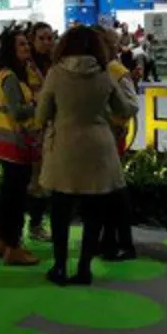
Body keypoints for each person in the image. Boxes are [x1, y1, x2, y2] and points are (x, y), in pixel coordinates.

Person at [35, 25, 139, 286]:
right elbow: (125, 108)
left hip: (64, 149)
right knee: (94, 214)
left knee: (60, 213)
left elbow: (41, 115)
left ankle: (59, 267)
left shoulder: (56, 74)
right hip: (99, 149)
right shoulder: (104, 74)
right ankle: (84, 270)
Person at [0, 30, 43, 267]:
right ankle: (14, 247)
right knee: (16, 199)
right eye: (21, 44)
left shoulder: (13, 74)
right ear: (11, 49)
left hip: (7, 145)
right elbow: (18, 112)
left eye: (26, 44)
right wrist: (38, 104)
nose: (26, 48)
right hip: (16, 146)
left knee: (8, 195)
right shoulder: (10, 78)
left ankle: (3, 241)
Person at [100, 27, 141, 261]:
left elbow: (132, 104)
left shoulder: (115, 70)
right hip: (105, 135)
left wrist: (110, 116)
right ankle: (110, 239)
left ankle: (121, 242)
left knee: (114, 189)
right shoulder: (105, 69)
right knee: (107, 190)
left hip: (113, 135)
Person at [25, 21, 55, 242]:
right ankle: (34, 225)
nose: (46, 42)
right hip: (31, 131)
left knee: (46, 180)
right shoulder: (25, 66)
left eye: (50, 38)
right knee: (35, 181)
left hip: (52, 129)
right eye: (41, 38)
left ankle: (38, 223)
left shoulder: (56, 64)